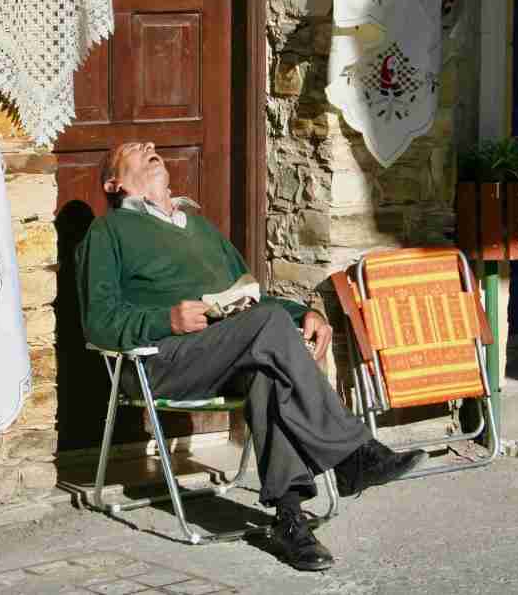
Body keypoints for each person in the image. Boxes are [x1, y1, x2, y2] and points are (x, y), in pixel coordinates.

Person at [76, 142, 424, 571]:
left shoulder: (199, 228)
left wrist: (307, 312)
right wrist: (167, 319)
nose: (150, 146)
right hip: (159, 360)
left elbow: (250, 298)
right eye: (135, 149)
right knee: (270, 330)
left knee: (268, 371)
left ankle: (290, 517)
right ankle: (352, 452)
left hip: (228, 350)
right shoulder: (108, 232)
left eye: (151, 146)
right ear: (114, 183)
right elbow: (99, 321)